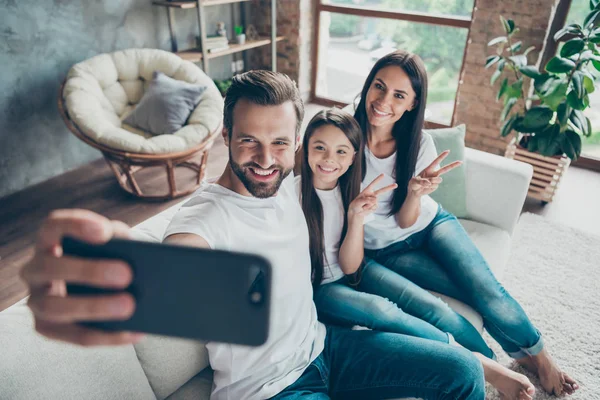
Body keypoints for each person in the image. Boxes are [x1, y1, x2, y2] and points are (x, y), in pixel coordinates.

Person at [20, 70, 486, 400]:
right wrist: (120, 283)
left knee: (464, 371)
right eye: (249, 141)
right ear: (226, 134)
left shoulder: (292, 186)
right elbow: (178, 270)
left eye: (280, 142)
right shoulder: (203, 217)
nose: (265, 158)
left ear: (296, 144)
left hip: (328, 347)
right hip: (270, 388)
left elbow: (345, 149)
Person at [351, 49, 578, 397]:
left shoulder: (418, 142)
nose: (384, 101)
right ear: (367, 86)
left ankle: (541, 357)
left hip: (429, 224)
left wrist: (414, 193)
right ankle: (516, 359)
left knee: (486, 289)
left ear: (413, 104)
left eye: (399, 95)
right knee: (466, 293)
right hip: (385, 249)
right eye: (379, 87)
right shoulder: (345, 138)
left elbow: (407, 217)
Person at [298, 108, 535, 400]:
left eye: (341, 151)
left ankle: (487, 361)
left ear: (353, 156)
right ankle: (483, 366)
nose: (328, 159)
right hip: (321, 287)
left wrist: (356, 218)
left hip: (356, 268)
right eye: (319, 147)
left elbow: (351, 265)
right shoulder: (291, 195)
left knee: (429, 305)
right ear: (304, 145)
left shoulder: (353, 191)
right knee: (381, 310)